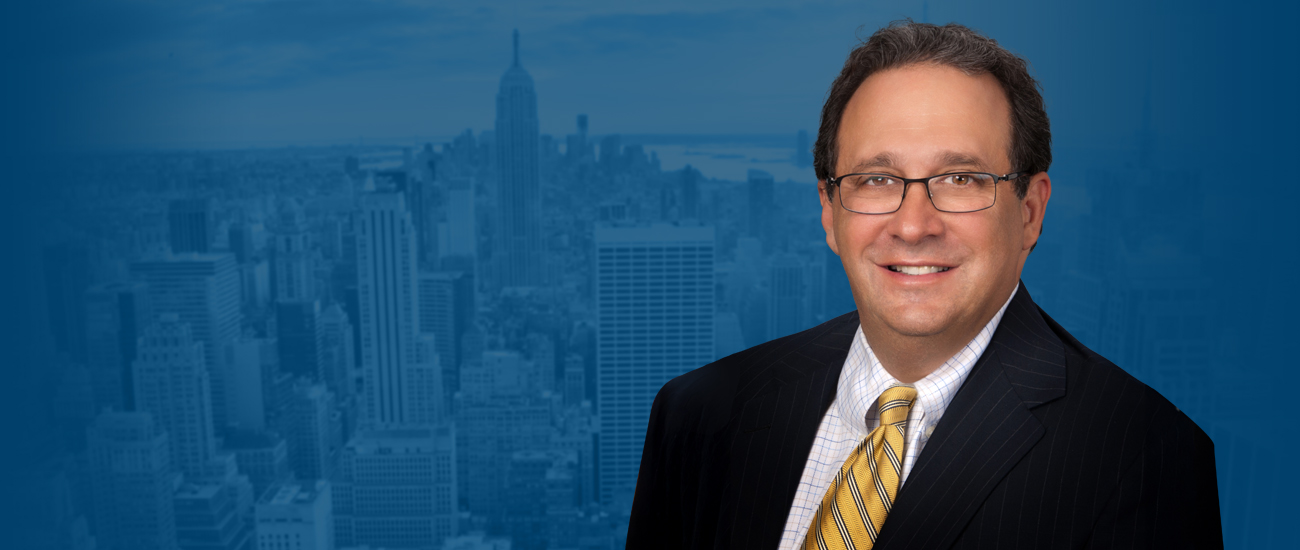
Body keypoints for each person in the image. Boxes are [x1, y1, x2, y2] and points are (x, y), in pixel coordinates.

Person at [626, 21, 1221, 549]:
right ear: (831, 213)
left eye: (960, 178)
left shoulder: (1145, 459)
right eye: (877, 179)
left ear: (1030, 212)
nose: (913, 225)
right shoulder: (700, 415)